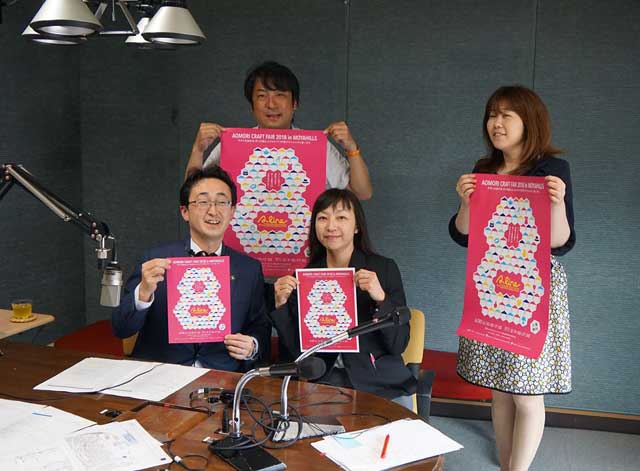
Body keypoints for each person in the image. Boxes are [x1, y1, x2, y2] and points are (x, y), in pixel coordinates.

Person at [449, 85, 575, 471]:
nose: (496, 123)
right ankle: (506, 464)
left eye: (507, 115)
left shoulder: (552, 170)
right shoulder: (484, 169)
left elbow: (560, 242)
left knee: (526, 392)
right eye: (492, 114)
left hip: (532, 291)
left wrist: (557, 203)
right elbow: (464, 235)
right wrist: (465, 202)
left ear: (529, 121)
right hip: (491, 286)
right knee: (500, 389)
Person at [112, 166, 270, 371]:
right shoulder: (155, 259)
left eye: (222, 202)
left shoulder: (249, 269)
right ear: (184, 211)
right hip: (161, 374)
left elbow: (260, 326)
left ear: (232, 211)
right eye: (203, 202)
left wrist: (252, 346)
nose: (213, 211)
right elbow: (121, 328)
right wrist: (142, 293)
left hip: (221, 377)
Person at [270, 188, 416, 407]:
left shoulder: (383, 269)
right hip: (324, 381)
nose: (331, 226)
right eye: (323, 218)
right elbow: (295, 353)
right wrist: (281, 305)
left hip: (379, 382)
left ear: (357, 226)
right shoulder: (304, 278)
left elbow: (399, 344)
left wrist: (381, 299)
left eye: (341, 217)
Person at [185, 61, 373, 200]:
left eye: (280, 95)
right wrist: (197, 150)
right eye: (262, 96)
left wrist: (351, 148)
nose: (271, 104)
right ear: (252, 106)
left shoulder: (315, 147)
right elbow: (192, 194)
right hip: (243, 240)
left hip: (304, 241)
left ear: (295, 103)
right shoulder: (234, 145)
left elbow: (363, 193)